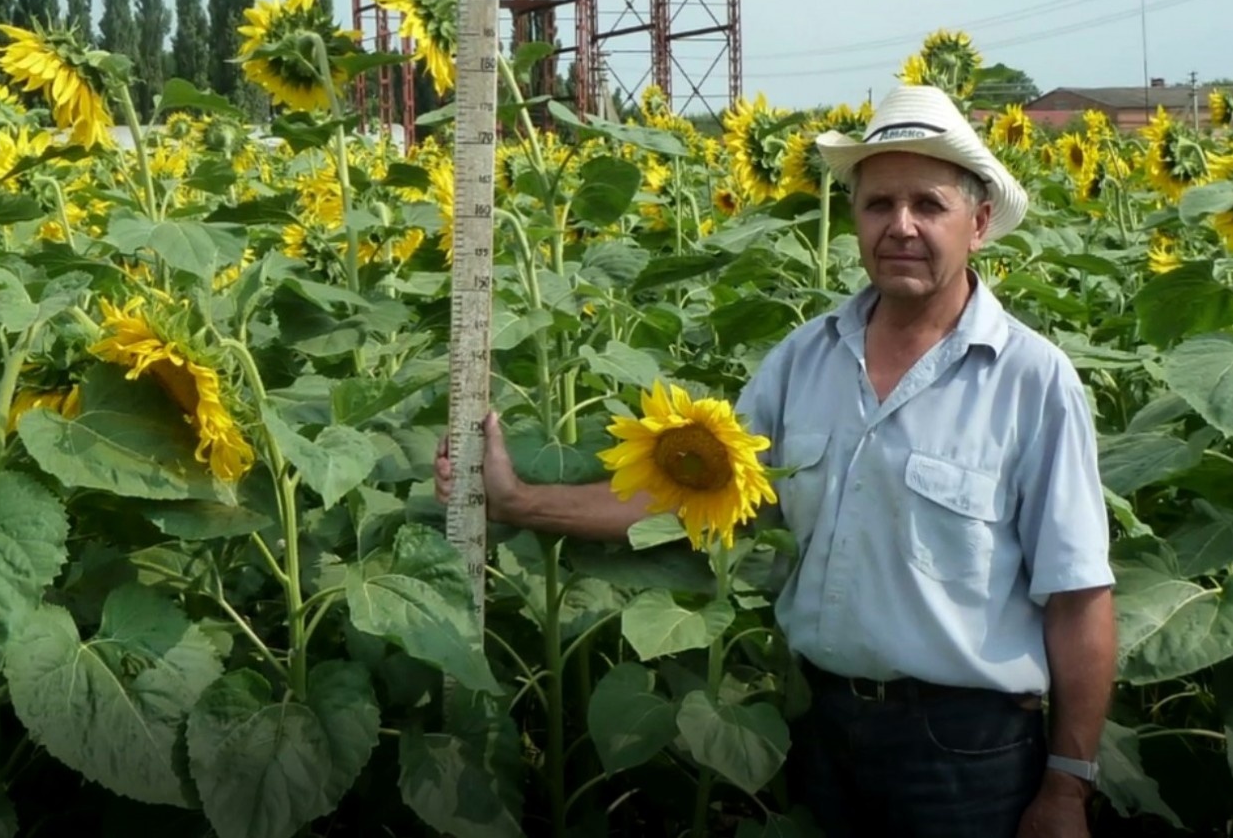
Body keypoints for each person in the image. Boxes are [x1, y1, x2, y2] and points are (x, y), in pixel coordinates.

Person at [435, 84, 1116, 838]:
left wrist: (1067, 787)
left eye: (929, 204)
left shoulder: (1031, 379)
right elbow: (690, 496)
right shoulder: (804, 358)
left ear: (979, 223)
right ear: (854, 219)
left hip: (965, 751)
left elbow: (1078, 596)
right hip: (821, 728)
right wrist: (518, 500)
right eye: (878, 204)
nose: (901, 225)